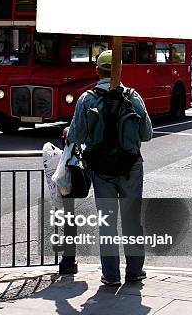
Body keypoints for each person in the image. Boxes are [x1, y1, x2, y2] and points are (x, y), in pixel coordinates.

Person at [65, 49, 153, 285]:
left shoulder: (87, 99)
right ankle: (134, 271)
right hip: (131, 167)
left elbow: (76, 135)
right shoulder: (133, 97)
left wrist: (68, 132)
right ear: (120, 69)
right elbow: (147, 134)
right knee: (132, 220)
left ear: (97, 71)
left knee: (107, 223)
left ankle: (111, 275)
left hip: (101, 169)